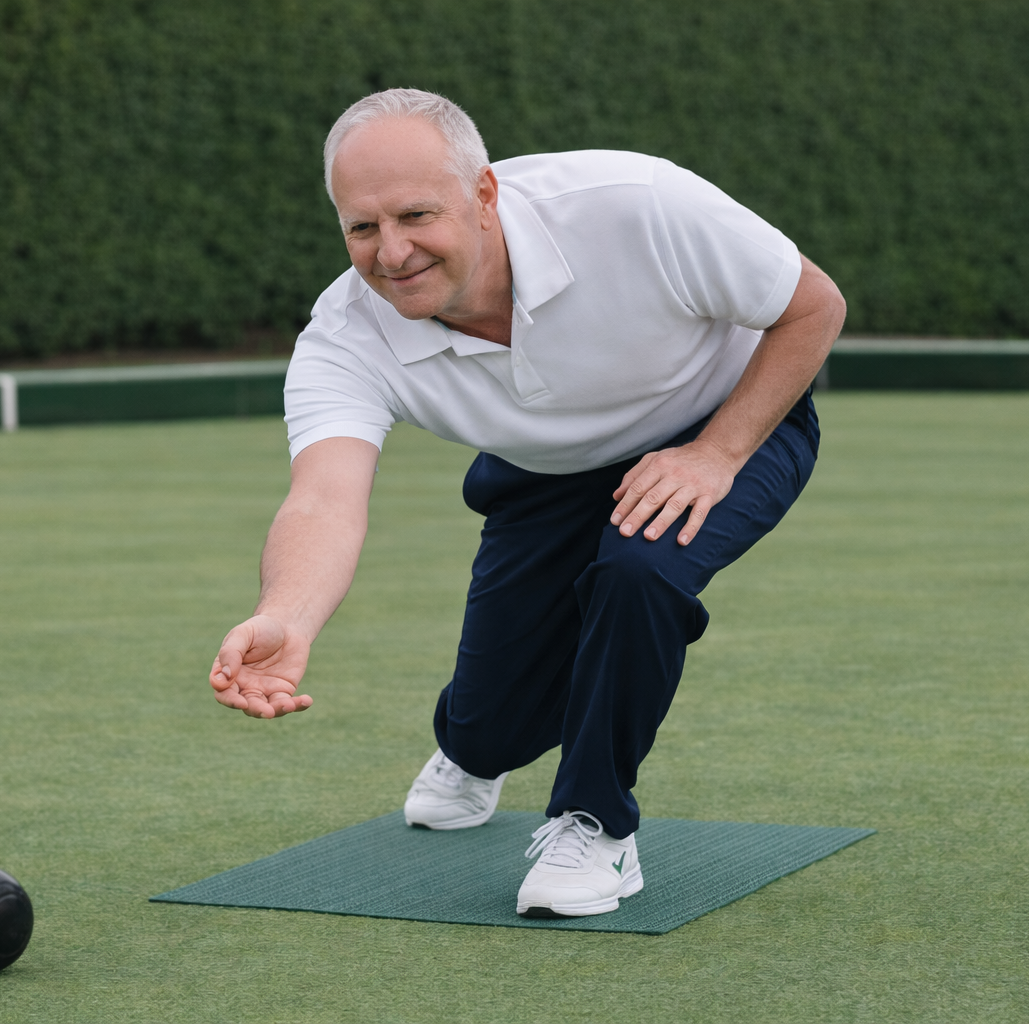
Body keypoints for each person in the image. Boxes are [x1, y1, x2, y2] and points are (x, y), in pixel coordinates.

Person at [208, 89, 845, 918]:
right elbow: (325, 499)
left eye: (415, 215)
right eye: (362, 228)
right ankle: (473, 753)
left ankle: (595, 827)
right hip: (542, 475)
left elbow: (813, 305)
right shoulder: (343, 338)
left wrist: (716, 453)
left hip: (722, 427)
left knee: (639, 571)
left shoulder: (635, 203)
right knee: (487, 726)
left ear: (483, 195)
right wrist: (286, 617)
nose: (391, 252)